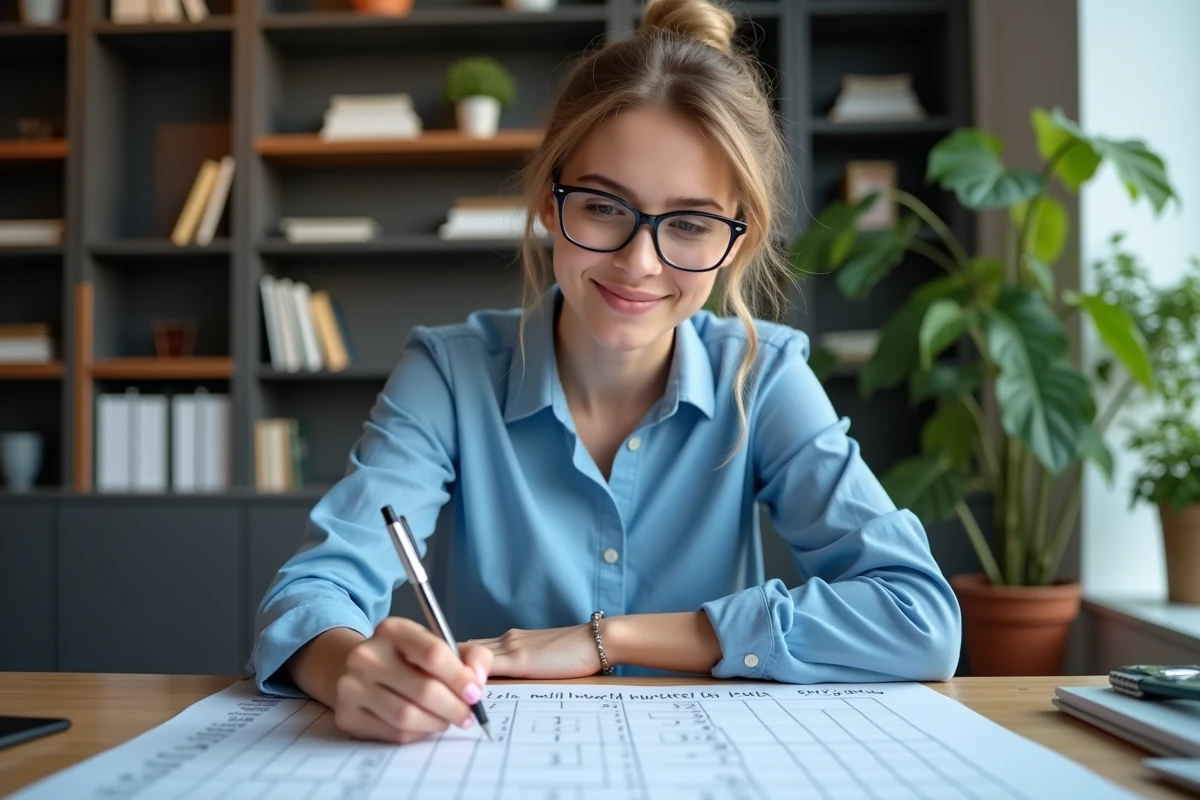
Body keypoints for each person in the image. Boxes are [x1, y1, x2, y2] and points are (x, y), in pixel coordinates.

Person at [249, 0, 961, 745]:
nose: (639, 262)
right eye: (601, 207)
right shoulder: (451, 373)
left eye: (688, 223)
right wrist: (345, 669)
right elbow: (315, 591)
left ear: (735, 242)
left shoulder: (764, 377)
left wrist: (605, 640)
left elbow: (919, 619)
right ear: (550, 205)